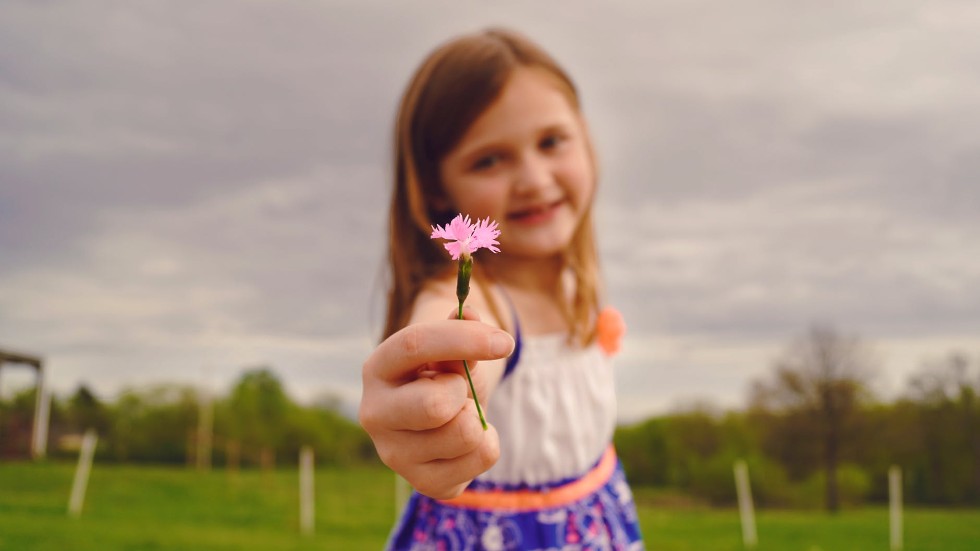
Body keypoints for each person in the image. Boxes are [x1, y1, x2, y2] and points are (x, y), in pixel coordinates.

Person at [359, 27, 643, 550]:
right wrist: (434, 395)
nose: (533, 178)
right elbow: (453, 336)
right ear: (438, 188)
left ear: (585, 137)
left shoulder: (575, 285)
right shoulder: (477, 294)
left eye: (551, 142)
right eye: (489, 159)